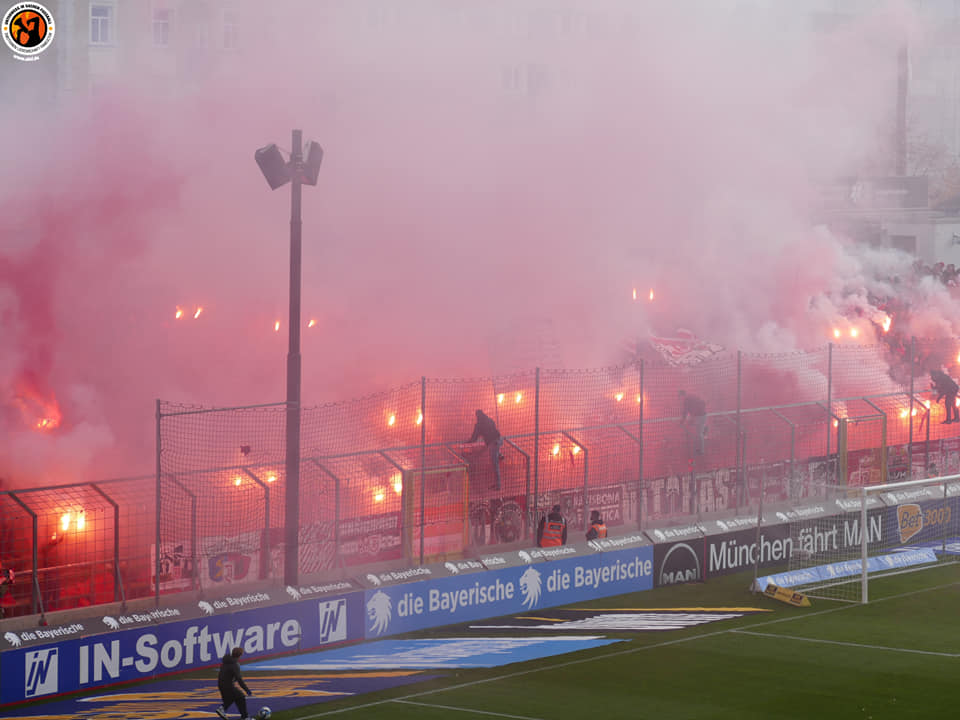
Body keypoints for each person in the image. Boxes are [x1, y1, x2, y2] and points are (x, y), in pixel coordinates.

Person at [464, 409, 503, 488]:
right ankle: (499, 454)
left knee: (495, 464)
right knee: (492, 450)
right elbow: (493, 429)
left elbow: (474, 438)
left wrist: (467, 442)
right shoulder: (489, 420)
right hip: (499, 439)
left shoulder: (478, 425)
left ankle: (498, 485)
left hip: (493, 443)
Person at [216, 647, 252, 720]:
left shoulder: (225, 661)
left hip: (221, 685)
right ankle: (245, 717)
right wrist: (247, 690)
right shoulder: (235, 664)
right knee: (241, 696)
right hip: (228, 686)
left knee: (236, 698)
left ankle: (244, 716)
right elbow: (239, 679)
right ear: (240, 655)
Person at [678, 390, 707, 455]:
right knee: (697, 431)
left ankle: (701, 451)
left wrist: (682, 421)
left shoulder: (686, 400)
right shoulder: (691, 396)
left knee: (699, 434)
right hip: (700, 415)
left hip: (700, 416)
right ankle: (704, 428)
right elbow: (701, 403)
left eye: (679, 396)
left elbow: (685, 411)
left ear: (682, 395)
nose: (679, 399)